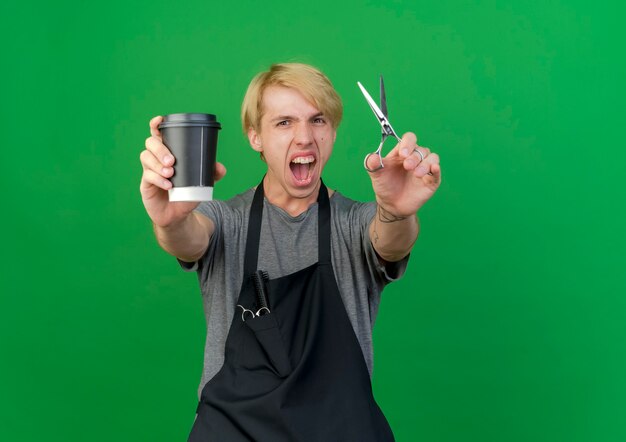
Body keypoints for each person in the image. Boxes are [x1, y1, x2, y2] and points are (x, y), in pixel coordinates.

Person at [139, 63, 441, 441]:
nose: (304, 137)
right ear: (255, 137)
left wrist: (397, 212)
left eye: (318, 120)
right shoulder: (226, 221)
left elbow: (390, 241)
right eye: (284, 122)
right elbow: (189, 236)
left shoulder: (355, 224)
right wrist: (169, 220)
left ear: (332, 132)